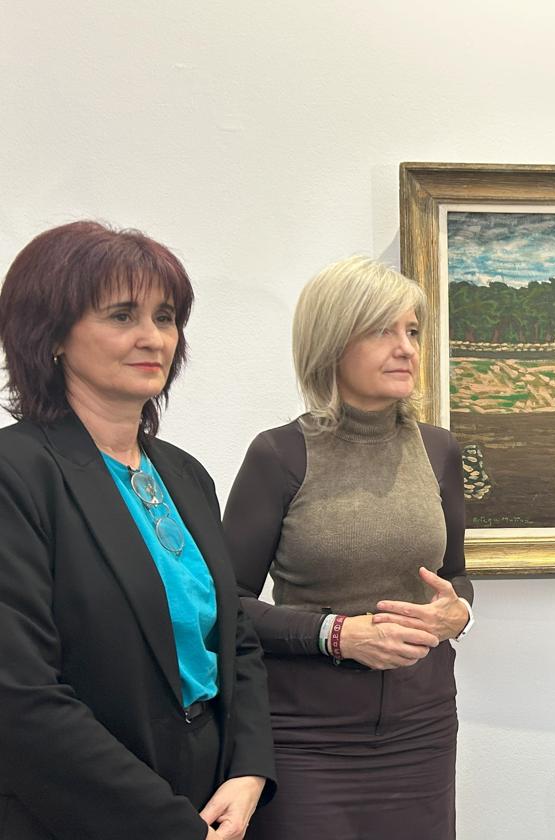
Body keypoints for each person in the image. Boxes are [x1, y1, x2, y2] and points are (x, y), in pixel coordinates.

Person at [0, 221, 276, 840]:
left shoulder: (184, 474)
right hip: (81, 813)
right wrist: (168, 826)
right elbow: (18, 698)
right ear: (52, 337)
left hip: (215, 796)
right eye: (121, 316)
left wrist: (250, 771)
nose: (153, 337)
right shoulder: (14, 475)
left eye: (166, 316)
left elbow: (235, 637)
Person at [223, 255, 474, 839]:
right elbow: (227, 603)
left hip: (423, 728)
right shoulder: (280, 455)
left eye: (412, 331)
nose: (406, 347)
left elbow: (455, 576)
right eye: (382, 330)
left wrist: (458, 612)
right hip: (305, 736)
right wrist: (337, 633)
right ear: (333, 343)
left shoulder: (439, 452)